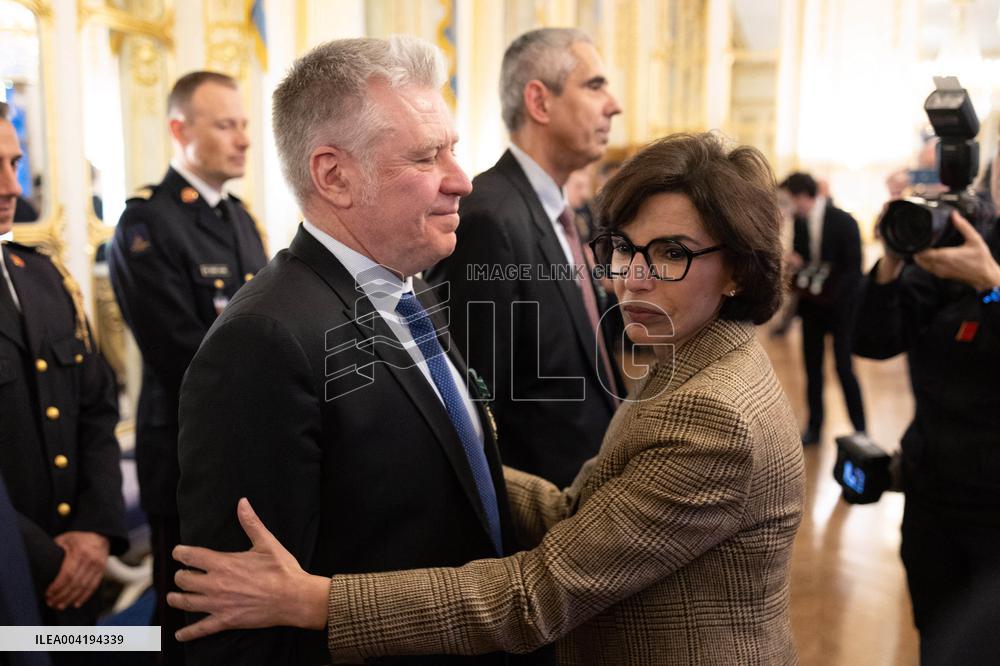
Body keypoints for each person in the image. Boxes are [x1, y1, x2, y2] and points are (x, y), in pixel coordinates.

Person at [168, 132, 806, 664]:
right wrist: (445, 449)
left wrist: (316, 601)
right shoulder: (692, 357)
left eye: (671, 254)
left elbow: (534, 598)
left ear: (739, 269)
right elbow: (577, 511)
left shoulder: (713, 413)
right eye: (622, 249)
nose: (629, 278)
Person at [175, 37, 522, 665]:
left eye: (453, 150)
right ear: (334, 176)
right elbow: (242, 612)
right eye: (427, 157)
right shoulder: (266, 340)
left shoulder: (412, 288)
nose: (462, 181)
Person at [107, 70, 268, 663]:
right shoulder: (147, 224)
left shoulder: (239, 219)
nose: (243, 138)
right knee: (183, 619)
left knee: (237, 617)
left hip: (246, 444)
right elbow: (184, 352)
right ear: (180, 131)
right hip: (185, 450)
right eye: (225, 125)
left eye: (243, 124)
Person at [425, 28, 623, 488]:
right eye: (594, 85)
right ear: (540, 102)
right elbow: (476, 405)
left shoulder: (551, 210)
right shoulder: (490, 217)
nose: (613, 105)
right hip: (537, 505)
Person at [854, 197, 1000, 663]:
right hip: (932, 492)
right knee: (937, 639)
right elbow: (873, 341)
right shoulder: (950, 252)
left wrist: (991, 285)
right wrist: (892, 262)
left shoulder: (980, 265)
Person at [0, 115, 127, 640]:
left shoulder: (43, 276)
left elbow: (96, 409)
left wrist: (95, 530)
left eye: (14, 164)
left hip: (75, 572)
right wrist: (47, 560)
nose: (12, 186)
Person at [780, 172, 866, 444]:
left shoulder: (844, 220)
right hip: (812, 307)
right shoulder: (800, 222)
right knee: (812, 368)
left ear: (802, 196)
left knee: (844, 368)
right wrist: (797, 263)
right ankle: (814, 427)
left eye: (789, 199)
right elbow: (806, 262)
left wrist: (834, 296)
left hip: (841, 309)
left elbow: (854, 268)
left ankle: (861, 430)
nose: (789, 206)